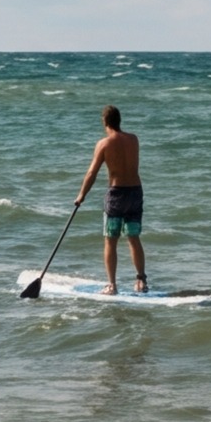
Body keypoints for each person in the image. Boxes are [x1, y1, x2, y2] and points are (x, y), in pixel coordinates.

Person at [77, 105, 149, 294]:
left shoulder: (104, 144)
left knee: (111, 240)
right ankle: (141, 281)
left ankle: (112, 285)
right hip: (135, 192)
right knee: (133, 237)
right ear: (119, 120)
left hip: (116, 194)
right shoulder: (134, 139)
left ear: (105, 122)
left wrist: (81, 195)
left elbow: (92, 172)